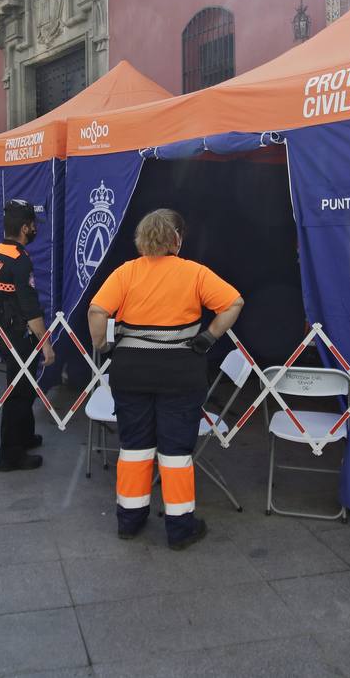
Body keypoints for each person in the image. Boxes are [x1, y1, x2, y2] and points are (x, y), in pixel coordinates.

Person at [88, 209, 244, 551]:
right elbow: (234, 302)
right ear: (177, 239)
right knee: (175, 452)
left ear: (141, 239)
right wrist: (208, 337)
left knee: (134, 447)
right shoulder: (195, 273)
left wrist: (103, 345)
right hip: (180, 373)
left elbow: (97, 311)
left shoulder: (125, 272)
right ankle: (180, 528)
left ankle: (129, 521)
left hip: (131, 372)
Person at [0, 198, 55, 472]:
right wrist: (46, 345)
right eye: (33, 225)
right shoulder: (20, 260)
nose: (35, 229)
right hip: (17, 332)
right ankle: (10, 455)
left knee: (22, 384)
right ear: (25, 228)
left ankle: (25, 436)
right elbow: (30, 307)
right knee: (19, 392)